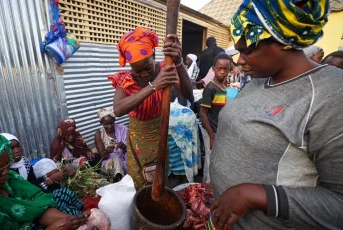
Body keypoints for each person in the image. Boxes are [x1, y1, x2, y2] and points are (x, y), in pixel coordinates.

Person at [209, 0, 343, 229]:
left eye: (247, 50)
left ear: (282, 42)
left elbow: (338, 204)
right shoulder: (259, 80)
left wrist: (257, 195)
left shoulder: (330, 94)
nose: (239, 61)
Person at [108, 27, 193, 189]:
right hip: (138, 142)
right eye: (137, 70)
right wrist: (153, 86)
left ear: (153, 56)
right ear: (130, 66)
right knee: (140, 180)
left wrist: (179, 61)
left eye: (148, 67)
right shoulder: (126, 80)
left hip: (160, 135)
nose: (144, 74)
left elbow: (188, 93)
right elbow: (118, 110)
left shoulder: (165, 69)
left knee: (160, 176)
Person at [0, 134, 88, 229]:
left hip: (35, 219)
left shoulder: (11, 177)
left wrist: (74, 221)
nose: (5, 172)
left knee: (65, 199)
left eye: (7, 165)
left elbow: (36, 205)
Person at [199, 53, 231, 184]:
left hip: (217, 129)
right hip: (210, 130)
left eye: (226, 69)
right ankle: (207, 186)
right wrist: (212, 136)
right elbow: (202, 113)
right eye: (219, 69)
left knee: (215, 159)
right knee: (211, 159)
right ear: (213, 69)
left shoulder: (223, 87)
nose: (222, 72)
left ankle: (209, 184)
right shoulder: (210, 88)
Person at [94, 107, 128, 182]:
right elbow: (102, 157)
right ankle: (119, 181)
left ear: (114, 121)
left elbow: (131, 148)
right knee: (117, 163)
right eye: (106, 124)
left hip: (124, 158)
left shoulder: (123, 129)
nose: (109, 126)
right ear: (101, 123)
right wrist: (107, 152)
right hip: (109, 163)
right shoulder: (99, 134)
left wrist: (124, 146)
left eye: (111, 123)